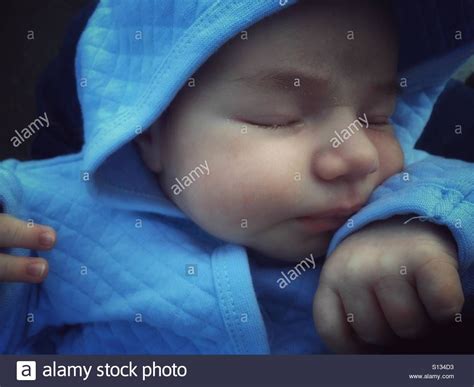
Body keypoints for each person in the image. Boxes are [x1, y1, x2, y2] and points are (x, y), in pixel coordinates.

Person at [0, 0, 473, 354]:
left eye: (377, 116)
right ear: (149, 133)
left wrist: (418, 227)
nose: (360, 155)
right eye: (278, 118)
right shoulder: (43, 218)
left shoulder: (399, 192)